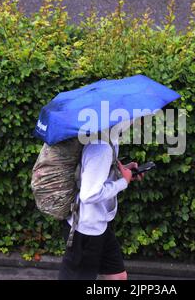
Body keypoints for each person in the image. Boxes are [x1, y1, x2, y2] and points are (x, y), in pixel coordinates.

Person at [58, 120, 144, 280]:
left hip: (100, 225)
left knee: (118, 276)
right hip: (85, 230)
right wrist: (123, 182)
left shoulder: (109, 140)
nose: (135, 121)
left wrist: (125, 172)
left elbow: (96, 174)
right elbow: (88, 194)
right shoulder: (101, 148)